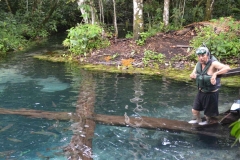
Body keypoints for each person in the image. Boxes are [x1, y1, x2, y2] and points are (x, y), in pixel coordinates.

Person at [188, 46, 231, 125]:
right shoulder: (198, 64)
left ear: (207, 55)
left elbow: (227, 68)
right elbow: (192, 74)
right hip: (201, 91)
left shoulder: (213, 64)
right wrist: (192, 76)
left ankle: (208, 124)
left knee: (208, 115)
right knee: (194, 110)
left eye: (203, 55)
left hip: (211, 93)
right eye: (199, 56)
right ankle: (198, 120)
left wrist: (216, 73)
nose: (201, 58)